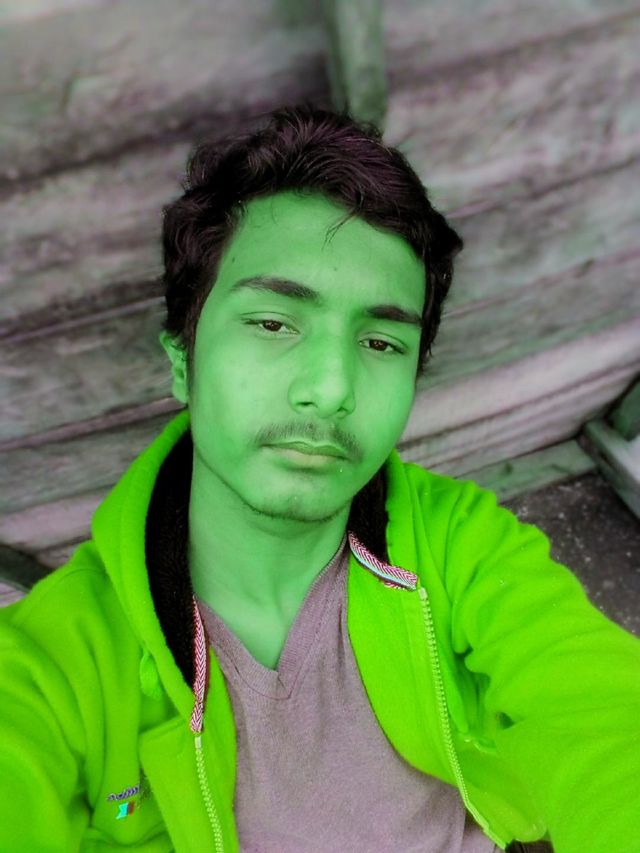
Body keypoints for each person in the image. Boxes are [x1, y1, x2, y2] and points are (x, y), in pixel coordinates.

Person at [1, 104, 638, 853]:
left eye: (381, 342)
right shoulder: (57, 660)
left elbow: (603, 716)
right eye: (273, 323)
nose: (331, 388)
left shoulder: (462, 547)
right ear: (182, 357)